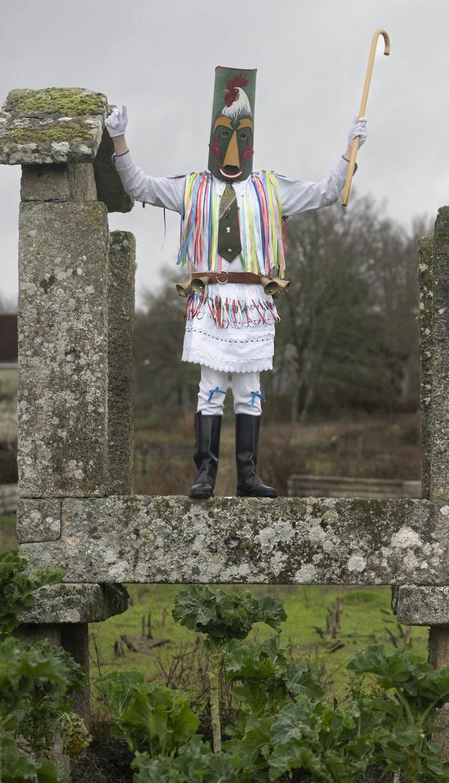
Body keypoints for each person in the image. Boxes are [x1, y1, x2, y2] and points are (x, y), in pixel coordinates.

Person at [106, 66, 366, 498]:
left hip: (251, 300)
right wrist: (119, 141)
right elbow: (138, 186)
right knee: (210, 389)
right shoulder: (193, 187)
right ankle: (204, 473)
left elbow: (325, 192)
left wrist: (349, 151)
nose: (231, 147)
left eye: (241, 136)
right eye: (224, 135)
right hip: (213, 298)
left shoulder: (270, 187)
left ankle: (247, 475)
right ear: (212, 139)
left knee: (249, 391)